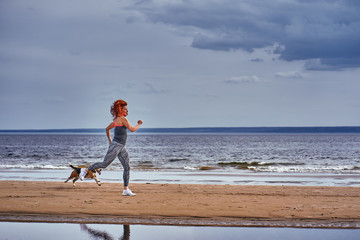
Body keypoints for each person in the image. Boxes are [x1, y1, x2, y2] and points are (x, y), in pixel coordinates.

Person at [79, 99, 143, 196]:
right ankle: (86, 170)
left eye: (127, 109)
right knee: (104, 164)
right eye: (125, 109)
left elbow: (107, 129)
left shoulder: (116, 120)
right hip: (116, 146)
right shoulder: (123, 119)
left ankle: (126, 189)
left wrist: (109, 140)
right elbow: (132, 129)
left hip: (121, 146)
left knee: (127, 167)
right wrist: (139, 124)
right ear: (120, 110)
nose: (127, 111)